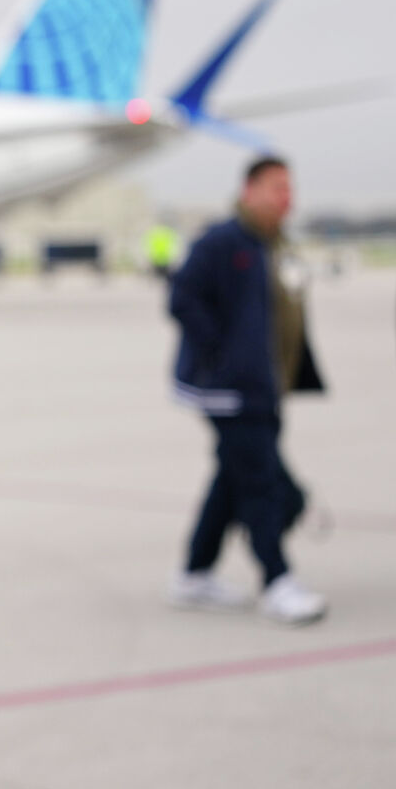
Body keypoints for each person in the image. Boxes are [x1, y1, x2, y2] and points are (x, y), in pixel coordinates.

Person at [167, 156, 328, 625]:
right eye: (277, 188)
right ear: (249, 190)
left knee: (231, 481)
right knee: (265, 487)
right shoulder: (224, 241)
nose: (287, 198)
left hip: (264, 388)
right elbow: (182, 297)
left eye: (289, 189)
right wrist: (221, 354)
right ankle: (278, 580)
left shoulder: (273, 245)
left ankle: (194, 574)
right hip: (230, 392)